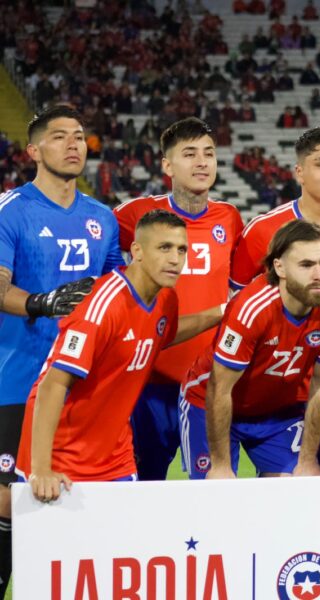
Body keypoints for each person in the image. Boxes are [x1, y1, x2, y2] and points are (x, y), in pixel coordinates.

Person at [0, 105, 124, 595]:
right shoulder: (12, 210)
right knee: (9, 500)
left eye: (79, 136)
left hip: (84, 384)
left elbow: (119, 293)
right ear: (33, 151)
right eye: (59, 137)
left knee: (80, 498)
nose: (74, 145)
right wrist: (40, 302)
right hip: (17, 377)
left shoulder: (103, 218)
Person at [15, 210, 223, 500]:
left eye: (181, 249)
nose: (176, 259)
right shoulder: (101, 306)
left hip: (115, 454)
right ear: (136, 251)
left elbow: (160, 335)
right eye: (164, 248)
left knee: (125, 542)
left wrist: (220, 313)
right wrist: (40, 469)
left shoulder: (165, 298)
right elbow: (53, 385)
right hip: (61, 455)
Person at [230, 127, 320, 474]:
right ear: (299, 172)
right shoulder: (265, 231)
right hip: (285, 395)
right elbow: (239, 302)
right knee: (286, 491)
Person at [113, 118, 243, 481]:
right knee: (142, 484)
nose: (202, 162)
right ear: (167, 166)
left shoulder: (229, 218)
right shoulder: (135, 215)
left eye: (209, 154)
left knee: (210, 487)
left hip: (208, 382)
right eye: (190, 154)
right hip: (149, 382)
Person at [181, 220, 320, 478]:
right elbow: (220, 388)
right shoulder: (252, 308)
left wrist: (307, 460)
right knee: (218, 497)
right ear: (279, 267)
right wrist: (220, 466)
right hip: (209, 404)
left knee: (298, 487)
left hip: (275, 412)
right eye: (306, 265)